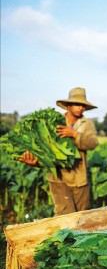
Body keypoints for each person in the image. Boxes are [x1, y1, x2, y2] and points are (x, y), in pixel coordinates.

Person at [19, 87, 98, 216]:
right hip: (59, 178)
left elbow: (93, 143)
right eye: (77, 104)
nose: (81, 108)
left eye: (83, 105)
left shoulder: (87, 124)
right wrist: (36, 163)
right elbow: (47, 151)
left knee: (82, 217)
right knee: (64, 216)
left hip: (80, 178)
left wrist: (75, 134)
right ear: (68, 105)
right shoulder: (53, 122)